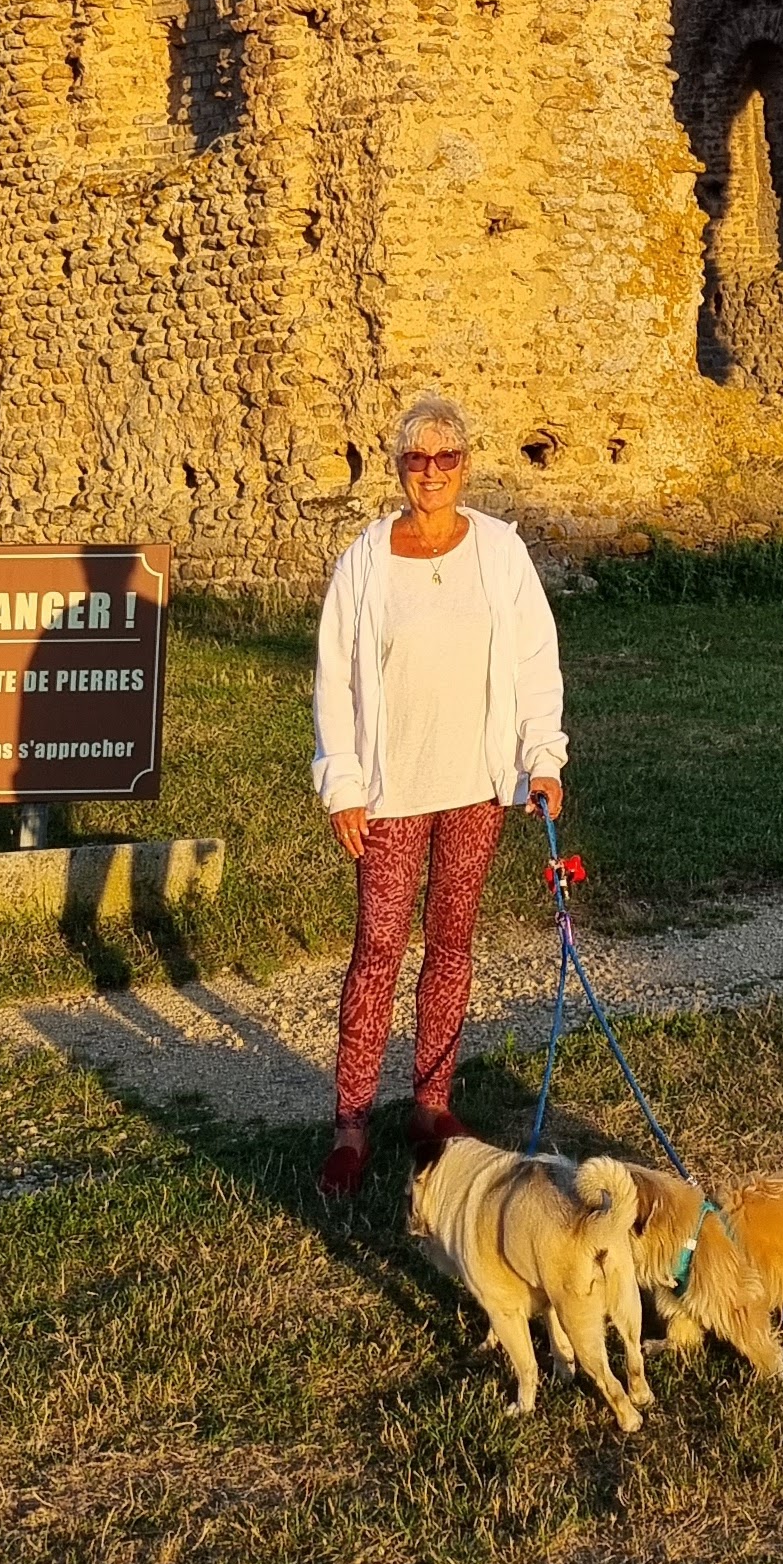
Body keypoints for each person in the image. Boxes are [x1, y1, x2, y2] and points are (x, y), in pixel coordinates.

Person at [312, 390, 566, 1196]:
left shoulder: (499, 552)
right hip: (390, 789)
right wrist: (343, 782)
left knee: (451, 943)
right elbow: (334, 678)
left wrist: (543, 757)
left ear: (465, 464)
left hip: (474, 786)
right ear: (398, 467)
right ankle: (352, 1122)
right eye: (417, 459)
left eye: (446, 458)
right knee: (378, 948)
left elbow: (534, 658)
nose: (431, 472)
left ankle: (431, 1105)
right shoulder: (366, 560)